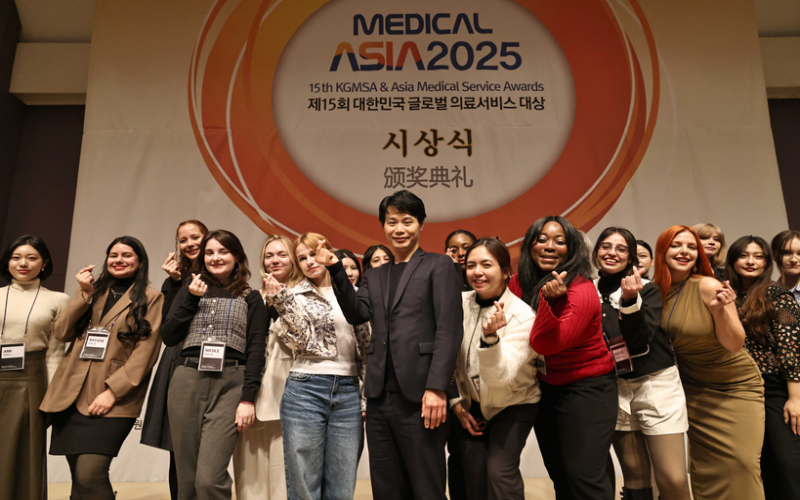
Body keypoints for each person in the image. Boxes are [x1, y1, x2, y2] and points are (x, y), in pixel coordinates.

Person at [317, 190, 463, 500]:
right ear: (383, 225)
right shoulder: (376, 274)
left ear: (421, 225)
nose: (399, 229)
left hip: (422, 395)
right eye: (392, 221)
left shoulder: (439, 266)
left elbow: (449, 330)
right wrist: (335, 269)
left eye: (407, 221)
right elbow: (358, 313)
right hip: (379, 396)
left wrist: (437, 388)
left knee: (426, 486)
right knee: (386, 488)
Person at [40, 236, 164, 500]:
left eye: (127, 255)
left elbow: (146, 353)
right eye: (113, 255)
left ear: (140, 261)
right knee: (79, 483)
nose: (119, 260)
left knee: (90, 476)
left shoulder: (152, 297)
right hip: (70, 396)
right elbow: (61, 332)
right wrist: (83, 293)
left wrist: (113, 392)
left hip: (113, 399)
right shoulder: (91, 291)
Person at [508, 216, 617, 500]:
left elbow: (547, 344)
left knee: (584, 478)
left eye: (560, 241)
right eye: (542, 239)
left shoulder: (581, 291)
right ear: (530, 244)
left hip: (587, 390)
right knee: (560, 473)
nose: (549, 247)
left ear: (572, 249)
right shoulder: (519, 283)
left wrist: (547, 301)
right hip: (545, 388)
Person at [654, 225, 764, 500]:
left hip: (734, 386)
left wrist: (719, 313)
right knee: (707, 468)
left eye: (692, 247)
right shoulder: (655, 291)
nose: (684, 252)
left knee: (740, 464)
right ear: (662, 250)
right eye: (677, 245)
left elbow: (735, 344)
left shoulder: (708, 285)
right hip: (694, 389)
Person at [161, 230, 267, 500]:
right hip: (187, 378)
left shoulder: (251, 296)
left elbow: (256, 349)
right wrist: (190, 298)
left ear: (237, 257)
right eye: (209, 252)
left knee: (209, 479)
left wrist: (248, 399)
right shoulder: (189, 289)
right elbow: (169, 336)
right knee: (185, 479)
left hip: (231, 381)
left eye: (223, 252)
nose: (216, 258)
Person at [263, 233, 370, 500]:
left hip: (348, 391)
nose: (310, 262)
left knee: (342, 485)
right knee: (303, 484)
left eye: (313, 253)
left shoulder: (356, 293)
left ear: (328, 252)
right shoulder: (292, 295)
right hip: (305, 389)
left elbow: (368, 348)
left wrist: (366, 396)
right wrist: (283, 302)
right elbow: (305, 342)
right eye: (302, 258)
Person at [592, 228, 690, 500]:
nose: (612, 252)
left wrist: (627, 300)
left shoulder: (647, 290)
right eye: (606, 246)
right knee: (634, 473)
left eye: (621, 249)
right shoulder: (587, 290)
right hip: (614, 387)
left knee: (672, 477)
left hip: (655, 384)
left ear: (631, 258)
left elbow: (638, 340)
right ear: (595, 252)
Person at [451, 238, 539, 500]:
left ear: (505, 272)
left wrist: (490, 339)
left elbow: (501, 380)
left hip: (513, 403)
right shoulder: (458, 303)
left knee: (499, 472)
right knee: (474, 475)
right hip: (471, 404)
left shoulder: (523, 316)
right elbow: (448, 361)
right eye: (471, 265)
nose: (477, 272)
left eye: (486, 265)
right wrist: (457, 404)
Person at [726, 235, 800, 499]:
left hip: (773, 387)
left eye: (758, 256)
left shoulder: (776, 294)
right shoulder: (725, 294)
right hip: (734, 388)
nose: (750, 261)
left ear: (767, 262)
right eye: (744, 255)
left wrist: (794, 398)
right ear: (732, 260)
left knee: (786, 460)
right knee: (753, 462)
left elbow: (790, 346)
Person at [141, 219, 208, 500]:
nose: (190, 244)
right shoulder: (174, 279)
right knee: (177, 445)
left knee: (209, 447)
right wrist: (177, 282)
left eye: (196, 237)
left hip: (211, 357)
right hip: (177, 357)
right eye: (183, 240)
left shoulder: (222, 269)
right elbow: (168, 323)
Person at [0, 235, 69, 500]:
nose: (23, 264)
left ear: (44, 263)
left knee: (27, 452)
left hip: (32, 376)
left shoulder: (58, 299)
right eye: (16, 257)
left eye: (31, 258)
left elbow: (55, 353)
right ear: (7, 262)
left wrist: (52, 396)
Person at [233, 234, 302, 500]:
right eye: (269, 255)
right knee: (249, 474)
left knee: (285, 474)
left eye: (282, 254)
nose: (274, 260)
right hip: (249, 392)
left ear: (293, 258)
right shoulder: (251, 296)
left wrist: (279, 304)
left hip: (289, 390)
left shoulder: (306, 293)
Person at [771, 229, 800, 307]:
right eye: (786, 253)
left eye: (799, 254)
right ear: (774, 255)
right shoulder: (767, 294)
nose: (794, 260)